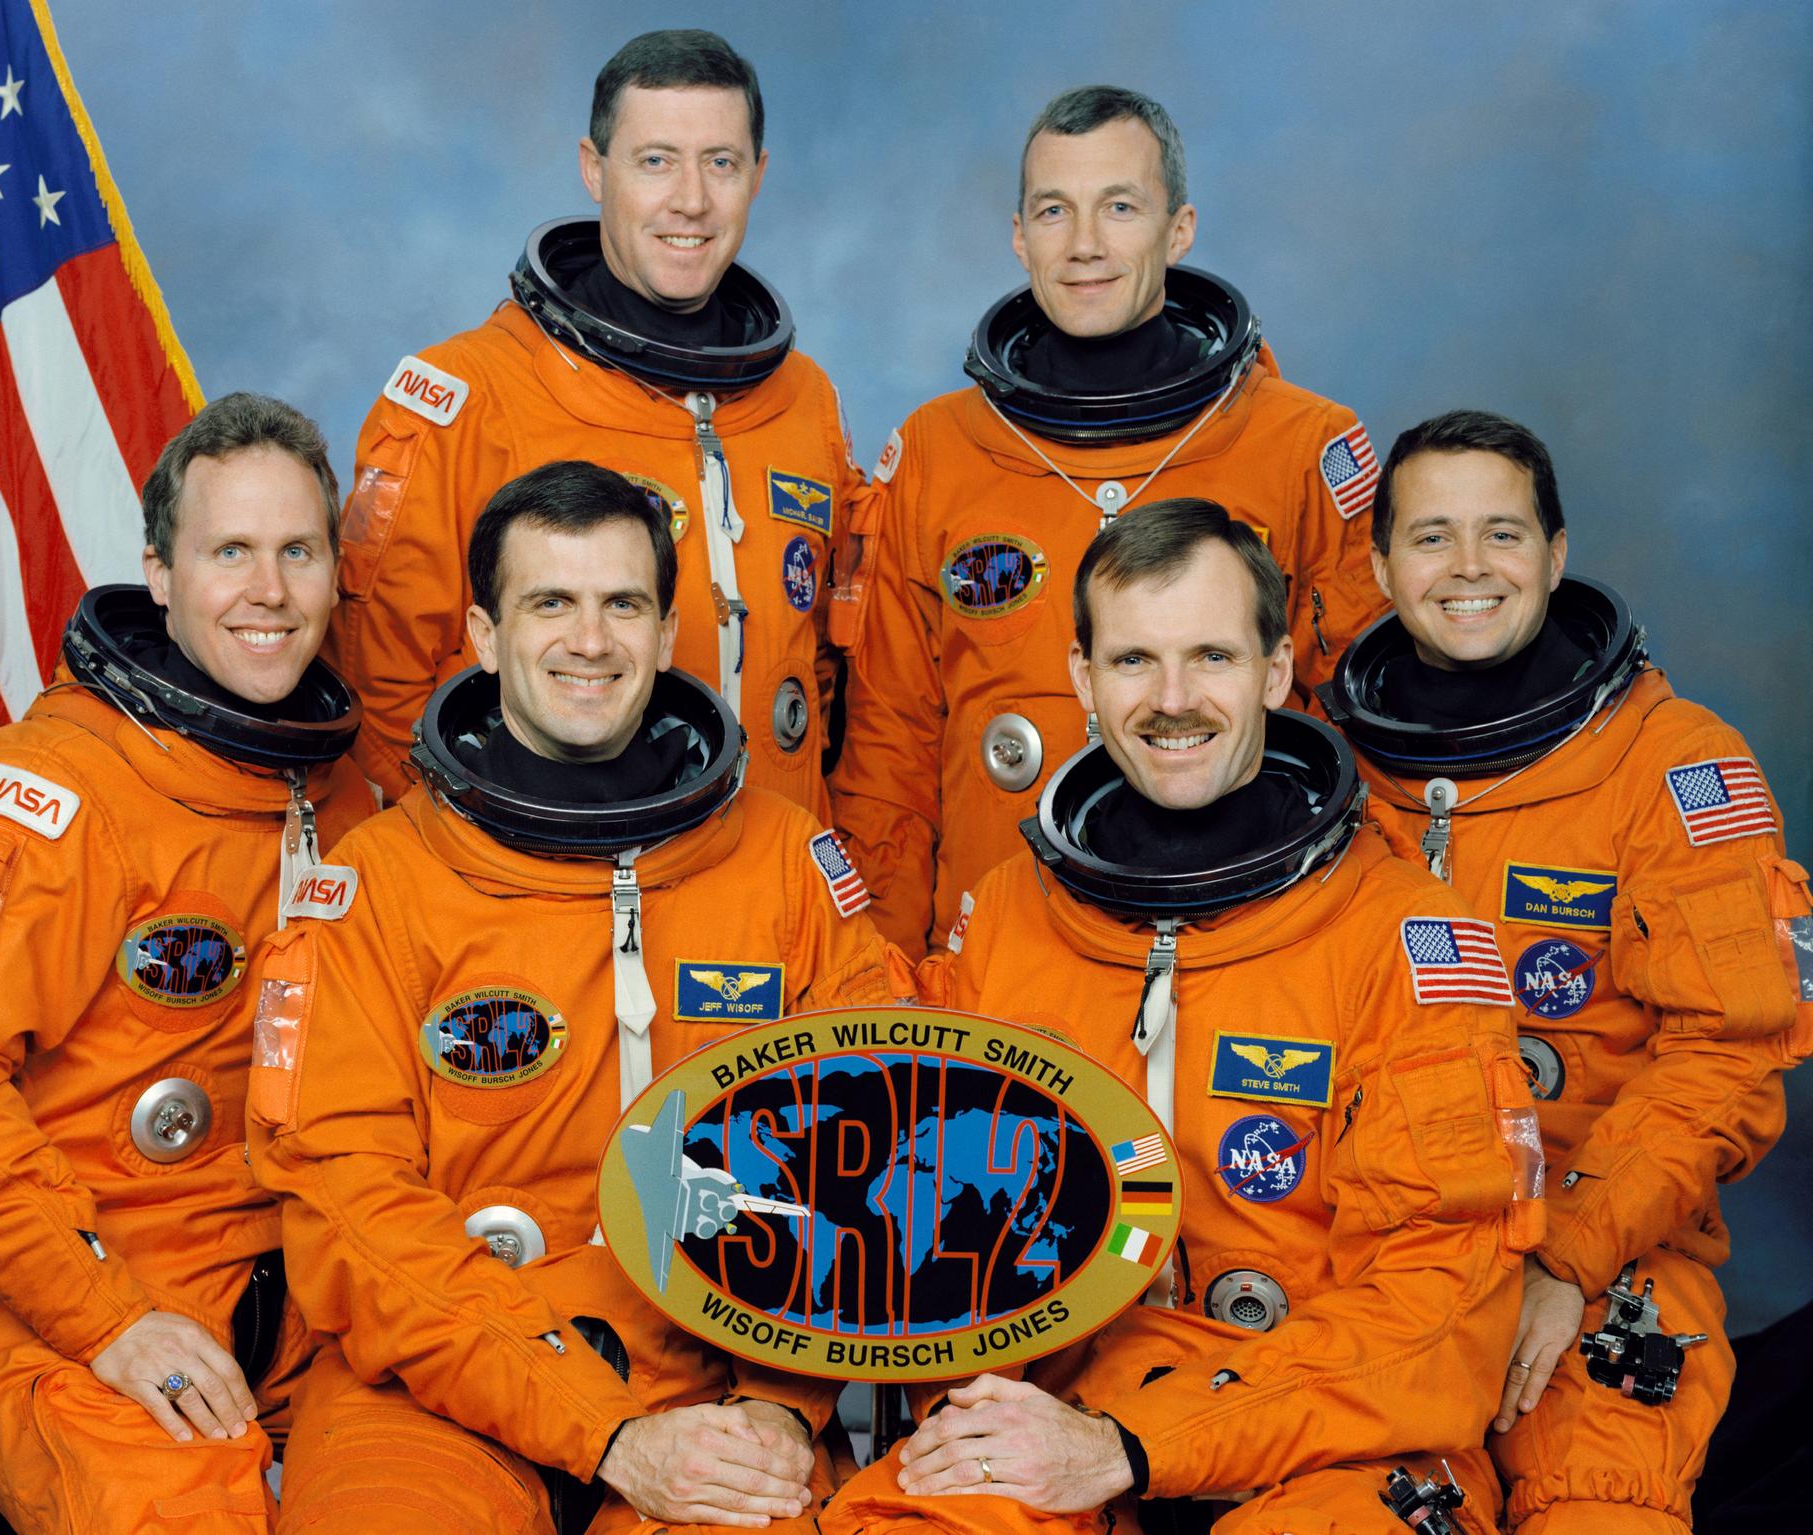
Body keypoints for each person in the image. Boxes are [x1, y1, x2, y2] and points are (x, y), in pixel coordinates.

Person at [823, 500, 1537, 1535]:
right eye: (1132, 661)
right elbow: (933, 1211)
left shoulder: (1411, 939)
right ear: (1080, 678)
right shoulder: (1013, 910)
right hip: (1061, 1413)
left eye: (1210, 655)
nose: (1171, 700)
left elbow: (1440, 1317)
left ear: (1277, 670)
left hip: (1333, 1435)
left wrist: (1142, 1444)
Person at [253, 461, 903, 1534]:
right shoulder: (378, 884)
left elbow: (871, 1152)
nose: (589, 641)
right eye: (549, 601)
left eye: (623, 605)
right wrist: (594, 1424)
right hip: (438, 1373)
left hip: (720, 1377)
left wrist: (786, 1406)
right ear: (481, 631)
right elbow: (349, 1211)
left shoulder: (784, 862)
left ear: (664, 629)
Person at [1320, 410, 1813, 1534]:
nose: (1469, 568)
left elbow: (1728, 1059)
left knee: (1599, 1505)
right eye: (1432, 536)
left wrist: (1571, 1257)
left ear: (1554, 549)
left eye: (1503, 532)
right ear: (1382, 562)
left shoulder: (1674, 765)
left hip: (1608, 1249)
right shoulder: (1320, 771)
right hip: (1372, 1263)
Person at [0, 394, 376, 1532]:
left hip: (290, 1286)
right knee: (180, 1508)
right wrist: (106, 1313)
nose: (270, 591)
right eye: (232, 552)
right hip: (53, 1283)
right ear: (159, 572)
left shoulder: (350, 793)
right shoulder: (56, 799)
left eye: (298, 550)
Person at [828, 84, 1388, 957]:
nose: (1084, 245)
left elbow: (1361, 739)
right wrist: (886, 973)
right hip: (999, 960)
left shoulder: (1299, 447)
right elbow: (888, 755)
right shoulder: (938, 452)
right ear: (1020, 235)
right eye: (1054, 211)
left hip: (1247, 939)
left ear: (1180, 227)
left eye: (1119, 207)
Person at [327, 27, 862, 822]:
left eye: (721, 162)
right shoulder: (468, 398)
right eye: (655, 161)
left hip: (767, 891)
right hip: (548, 884)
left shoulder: (805, 399)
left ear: (758, 175)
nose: (691, 199)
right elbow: (380, 695)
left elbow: (822, 678)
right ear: (593, 169)